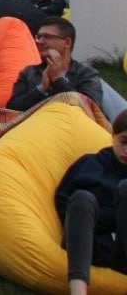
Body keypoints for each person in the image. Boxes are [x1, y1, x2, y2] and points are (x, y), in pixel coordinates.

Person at [55, 110, 127, 295]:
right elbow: (64, 201)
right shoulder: (90, 164)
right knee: (82, 198)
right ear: (113, 136)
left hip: (122, 250)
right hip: (87, 243)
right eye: (124, 142)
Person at [7, 18, 103, 112]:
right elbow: (11, 109)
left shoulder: (86, 74)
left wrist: (59, 81)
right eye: (39, 37)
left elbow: (91, 110)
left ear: (67, 42)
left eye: (47, 37)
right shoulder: (29, 73)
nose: (40, 42)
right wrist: (41, 89)